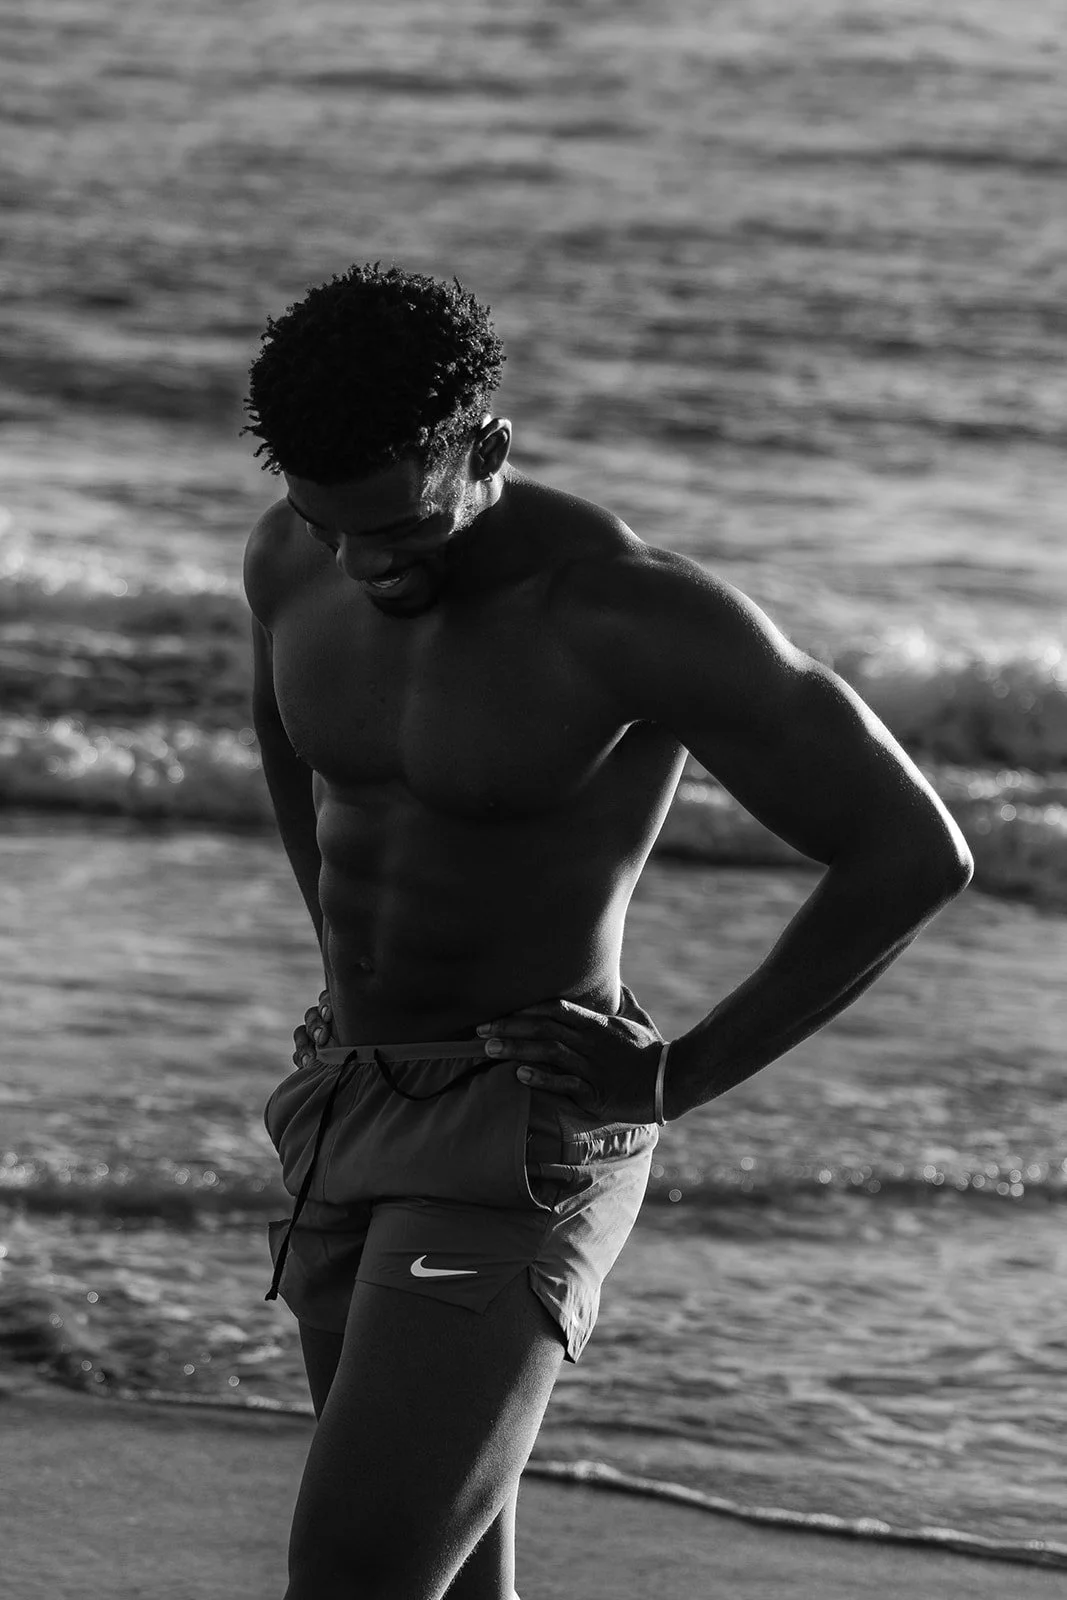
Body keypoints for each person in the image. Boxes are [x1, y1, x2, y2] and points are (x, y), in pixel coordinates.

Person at [241, 261, 973, 1600]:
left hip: (518, 1132)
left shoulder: (627, 615)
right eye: (327, 523)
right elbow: (296, 751)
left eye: (401, 527)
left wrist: (676, 1078)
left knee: (354, 1579)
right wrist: (338, 969)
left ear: (486, 451)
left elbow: (911, 850)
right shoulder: (290, 556)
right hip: (344, 1098)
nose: (363, 563)